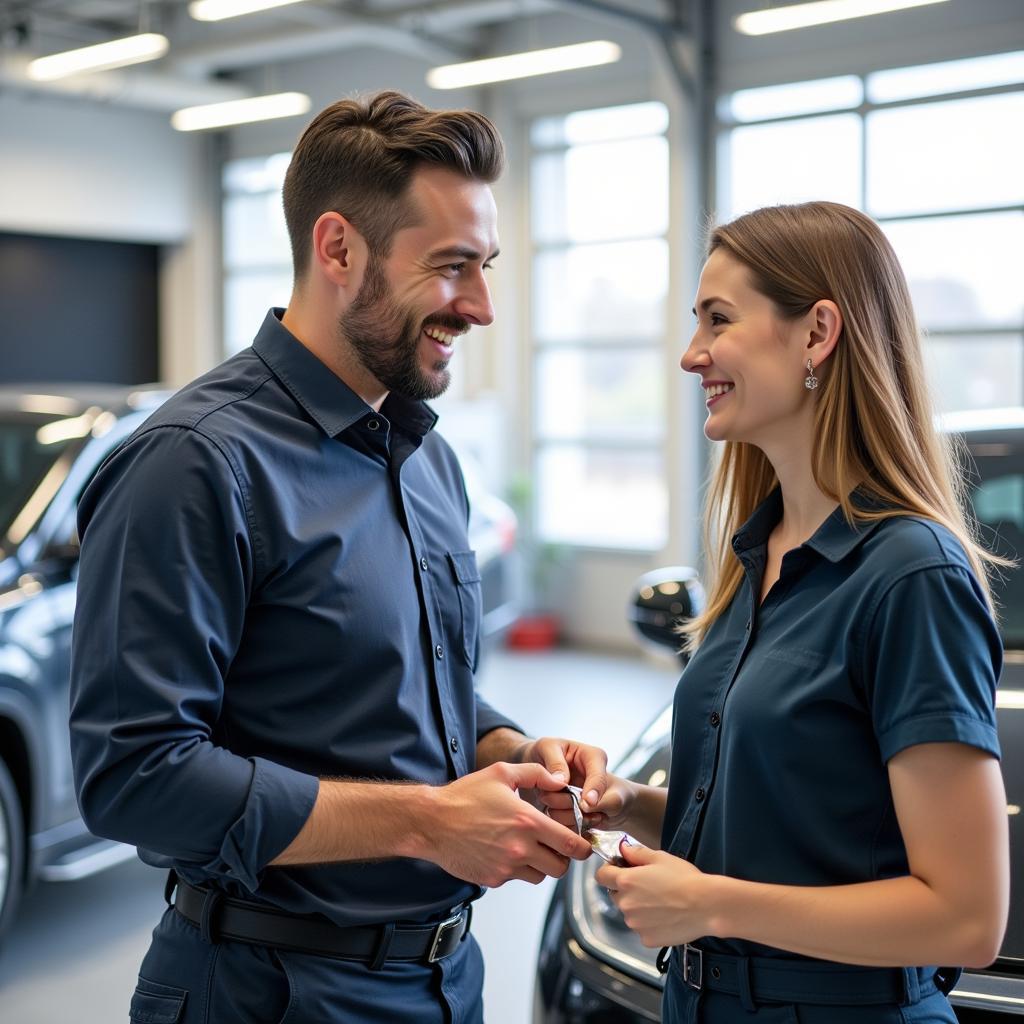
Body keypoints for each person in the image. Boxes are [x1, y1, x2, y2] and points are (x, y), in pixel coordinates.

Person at [69, 90, 606, 1024]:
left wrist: (512, 752)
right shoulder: (196, 462)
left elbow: (402, 681)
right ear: (338, 249)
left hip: (443, 981)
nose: (479, 306)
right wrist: (430, 822)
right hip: (267, 989)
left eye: (485, 267)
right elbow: (136, 776)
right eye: (450, 268)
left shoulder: (429, 459)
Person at [584, 201, 1010, 1022]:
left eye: (719, 319)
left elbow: (966, 917)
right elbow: (795, 830)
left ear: (817, 334)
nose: (690, 354)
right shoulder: (758, 555)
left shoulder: (911, 576)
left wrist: (712, 906)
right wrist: (633, 805)